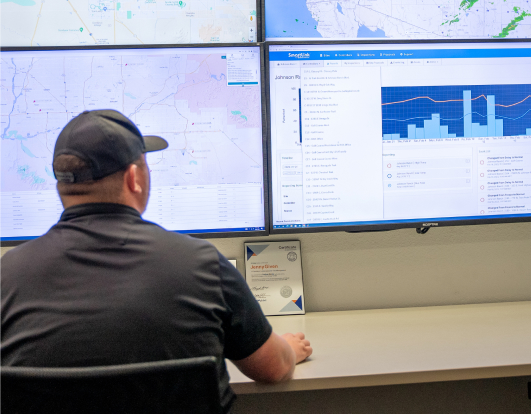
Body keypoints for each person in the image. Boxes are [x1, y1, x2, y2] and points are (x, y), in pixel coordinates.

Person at [1, 109, 312, 412]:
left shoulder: (7, 276)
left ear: (61, 184)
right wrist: (288, 350)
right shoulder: (202, 264)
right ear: (134, 178)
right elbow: (272, 368)